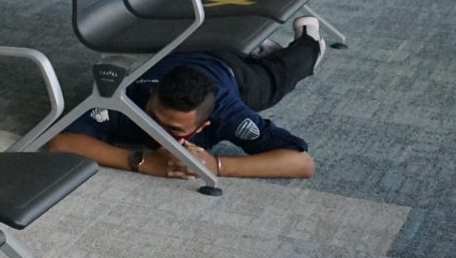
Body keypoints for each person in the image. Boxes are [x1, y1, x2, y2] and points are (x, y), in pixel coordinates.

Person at [45, 20, 323, 181]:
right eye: (152, 118)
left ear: (206, 125)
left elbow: (302, 163)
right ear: (151, 97)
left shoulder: (228, 112)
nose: (158, 130)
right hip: (179, 51)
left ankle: (309, 40)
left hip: (232, 72)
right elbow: (61, 143)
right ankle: (250, 47)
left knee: (280, 81)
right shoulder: (130, 99)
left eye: (175, 129)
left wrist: (216, 165)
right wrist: (141, 161)